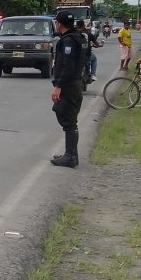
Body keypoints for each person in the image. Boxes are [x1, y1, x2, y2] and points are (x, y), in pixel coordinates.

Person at [49, 12, 86, 168]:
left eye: (57, 23)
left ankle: (70, 156)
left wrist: (58, 86)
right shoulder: (80, 38)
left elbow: (68, 65)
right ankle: (71, 155)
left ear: (60, 24)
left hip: (69, 85)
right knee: (71, 120)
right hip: (76, 82)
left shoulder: (69, 41)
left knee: (67, 119)